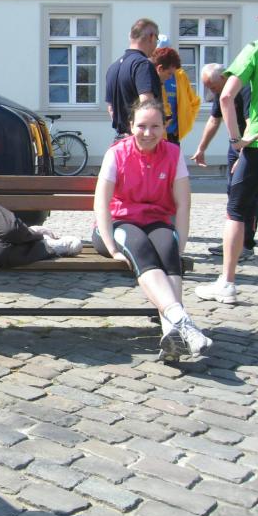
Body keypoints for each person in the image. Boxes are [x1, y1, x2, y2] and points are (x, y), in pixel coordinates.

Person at [93, 99, 212, 362]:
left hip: (156, 220)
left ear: (164, 127)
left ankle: (172, 335)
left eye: (155, 126)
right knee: (141, 247)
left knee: (168, 248)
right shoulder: (117, 153)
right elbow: (101, 203)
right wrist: (112, 248)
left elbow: (183, 204)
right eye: (142, 126)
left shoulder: (173, 153)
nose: (148, 133)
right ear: (131, 126)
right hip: (118, 224)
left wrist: (180, 245)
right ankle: (182, 322)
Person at [195, 0, 258, 313]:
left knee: (236, 211)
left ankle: (228, 283)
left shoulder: (256, 48)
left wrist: (236, 140)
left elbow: (225, 97)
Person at [192, 63, 258, 261]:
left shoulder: (245, 88)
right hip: (235, 145)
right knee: (233, 193)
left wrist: (244, 155)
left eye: (212, 87)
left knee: (249, 195)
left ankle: (246, 245)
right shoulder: (220, 90)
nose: (211, 91)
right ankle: (232, 241)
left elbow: (251, 125)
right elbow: (214, 120)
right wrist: (201, 148)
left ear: (223, 78)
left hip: (253, 145)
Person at [106, 18, 162, 141]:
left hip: (120, 140)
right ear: (152, 37)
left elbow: (111, 108)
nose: (156, 45)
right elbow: (147, 102)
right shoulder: (143, 65)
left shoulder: (113, 67)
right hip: (140, 141)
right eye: (157, 40)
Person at [151, 43, 201, 146]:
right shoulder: (147, 76)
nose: (170, 76)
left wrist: (184, 125)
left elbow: (194, 102)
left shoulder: (180, 75)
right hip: (155, 135)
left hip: (173, 135)